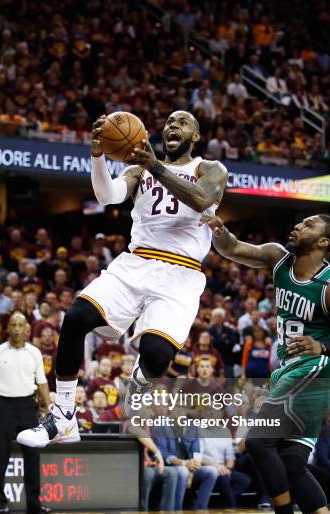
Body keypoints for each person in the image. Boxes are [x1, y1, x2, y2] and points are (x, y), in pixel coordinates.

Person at [17, 109, 227, 447]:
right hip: (136, 261)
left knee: (157, 355)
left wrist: (156, 166)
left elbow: (202, 198)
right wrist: (98, 157)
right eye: (169, 121)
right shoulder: (138, 169)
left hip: (181, 273)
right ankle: (64, 416)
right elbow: (107, 195)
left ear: (196, 136)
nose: (173, 126)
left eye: (182, 122)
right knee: (75, 317)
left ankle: (140, 384)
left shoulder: (209, 169)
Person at [200, 212, 330, 514]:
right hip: (291, 374)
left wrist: (320, 344)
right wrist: (220, 232)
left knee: (258, 440)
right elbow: (233, 249)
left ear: (324, 242)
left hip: (316, 371)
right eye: (299, 223)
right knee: (291, 464)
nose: (297, 226)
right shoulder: (279, 258)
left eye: (309, 225)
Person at [0, 312, 52, 514]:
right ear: (8, 327)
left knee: (32, 455)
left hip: (28, 406)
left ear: (26, 328)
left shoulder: (34, 352)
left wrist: (49, 408)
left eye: (20, 325)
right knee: (0, 455)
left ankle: (34, 503)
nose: (17, 328)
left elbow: (42, 382)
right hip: (4, 406)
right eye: (13, 325)